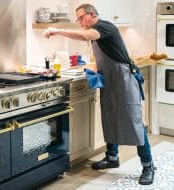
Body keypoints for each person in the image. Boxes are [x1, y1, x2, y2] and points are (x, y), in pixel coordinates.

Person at [42, 4, 156, 185]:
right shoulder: (97, 31)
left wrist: (56, 30)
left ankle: (148, 166)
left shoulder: (104, 26)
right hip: (110, 81)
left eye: (80, 18)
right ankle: (112, 157)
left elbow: (85, 36)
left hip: (124, 81)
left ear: (92, 14)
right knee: (109, 117)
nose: (79, 22)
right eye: (77, 19)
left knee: (134, 123)